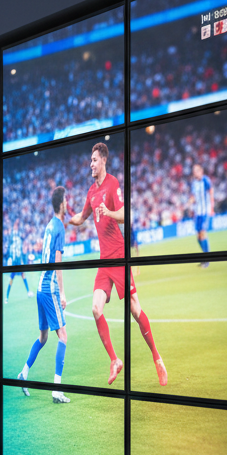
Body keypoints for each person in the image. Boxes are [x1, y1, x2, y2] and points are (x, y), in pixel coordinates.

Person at [68, 141, 167, 386]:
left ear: (103, 160)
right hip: (104, 260)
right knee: (95, 308)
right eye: (90, 160)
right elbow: (82, 218)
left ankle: (157, 357)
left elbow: (124, 215)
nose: (90, 164)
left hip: (119, 255)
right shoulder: (91, 192)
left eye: (93, 160)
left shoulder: (113, 184)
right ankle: (114, 360)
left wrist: (108, 212)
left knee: (135, 309)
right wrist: (65, 219)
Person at [17, 187, 70, 403]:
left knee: (44, 336)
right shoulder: (59, 227)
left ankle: (24, 374)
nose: (67, 203)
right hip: (49, 288)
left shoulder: (49, 226)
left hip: (40, 286)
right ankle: (56, 390)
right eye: (66, 200)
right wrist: (63, 292)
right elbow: (57, 261)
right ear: (61, 204)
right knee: (63, 336)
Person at [190, 162, 214, 267]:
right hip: (198, 212)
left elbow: (211, 193)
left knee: (203, 233)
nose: (195, 173)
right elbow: (193, 197)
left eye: (196, 171)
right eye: (194, 171)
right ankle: (205, 257)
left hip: (205, 211)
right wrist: (189, 203)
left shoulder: (206, 180)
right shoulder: (194, 183)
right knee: (199, 237)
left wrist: (212, 208)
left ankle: (207, 260)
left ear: (201, 171)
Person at [5, 226, 32, 302]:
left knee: (18, 276)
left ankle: (7, 297)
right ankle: (7, 296)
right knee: (13, 278)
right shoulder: (15, 241)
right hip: (15, 262)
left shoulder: (14, 242)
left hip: (17, 261)